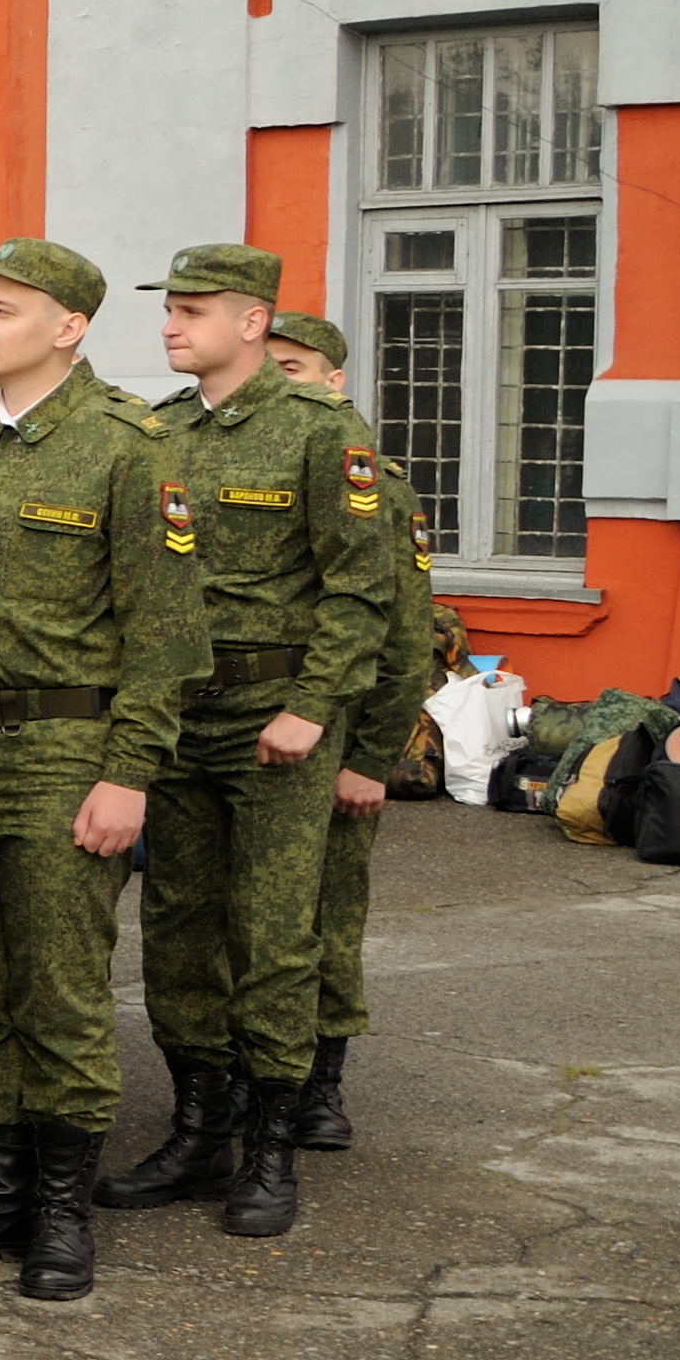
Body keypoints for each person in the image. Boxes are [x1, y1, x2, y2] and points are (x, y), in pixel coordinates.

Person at [0, 239, 208, 1302]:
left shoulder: (124, 446)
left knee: (58, 992)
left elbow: (165, 639)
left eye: (3, 312)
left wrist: (130, 774)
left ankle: (61, 1213)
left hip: (61, 751)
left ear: (68, 326)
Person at [119, 245, 401, 1239]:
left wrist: (314, 706)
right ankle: (200, 1128)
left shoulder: (322, 432)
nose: (170, 324)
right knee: (179, 927)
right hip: (177, 715)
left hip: (275, 713)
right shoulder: (158, 431)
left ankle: (270, 1147)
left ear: (251, 322)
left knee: (273, 934)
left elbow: (362, 588)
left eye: (192, 310)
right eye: (169, 310)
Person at [262, 312, 427, 1151]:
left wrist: (370, 757)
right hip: (259, 731)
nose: (274, 380)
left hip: (342, 738)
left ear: (334, 381)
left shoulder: (376, 483)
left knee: (326, 913)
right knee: (259, 920)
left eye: (290, 368)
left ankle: (321, 1084)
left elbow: (405, 635)